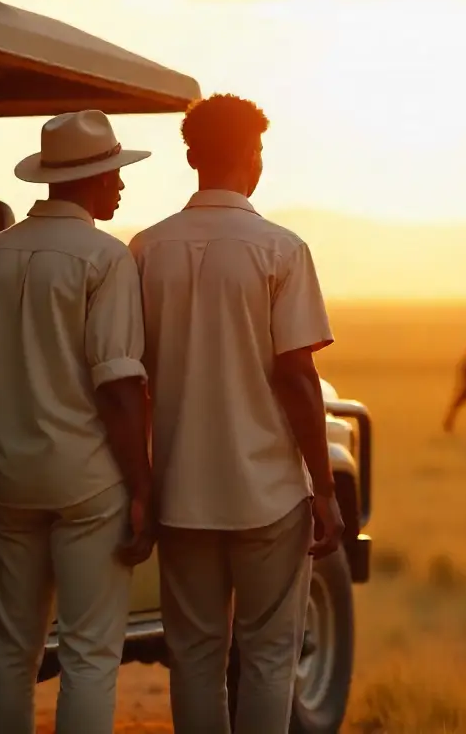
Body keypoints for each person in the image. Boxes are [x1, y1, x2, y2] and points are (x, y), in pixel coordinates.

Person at [129, 93, 346, 733]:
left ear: (191, 156)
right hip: (269, 494)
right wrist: (325, 489)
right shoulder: (281, 250)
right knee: (269, 655)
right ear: (253, 157)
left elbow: (128, 376)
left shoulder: (145, 250)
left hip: (182, 491)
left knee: (194, 656)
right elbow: (298, 378)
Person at [0, 109, 156, 734]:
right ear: (91, 179)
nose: (121, 185)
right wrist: (143, 487)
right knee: (91, 655)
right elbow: (120, 387)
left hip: (8, 476)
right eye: (114, 173)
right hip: (88, 482)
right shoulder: (105, 258)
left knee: (11, 652)